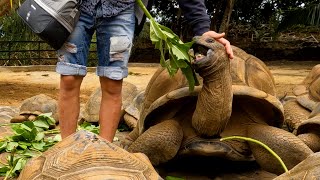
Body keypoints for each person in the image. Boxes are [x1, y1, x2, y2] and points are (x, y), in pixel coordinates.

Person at [56, 0, 234, 142]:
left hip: (121, 10)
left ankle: (105, 151)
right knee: (69, 77)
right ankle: (66, 148)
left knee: (112, 82)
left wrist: (203, 29)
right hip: (77, 6)